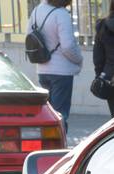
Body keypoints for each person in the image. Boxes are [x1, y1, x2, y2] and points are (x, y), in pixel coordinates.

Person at [27, 0, 82, 134]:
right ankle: (59, 146)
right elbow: (68, 46)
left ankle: (48, 145)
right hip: (61, 72)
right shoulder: (61, 14)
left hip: (42, 69)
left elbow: (29, 36)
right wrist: (79, 59)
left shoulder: (36, 11)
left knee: (48, 115)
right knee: (60, 115)